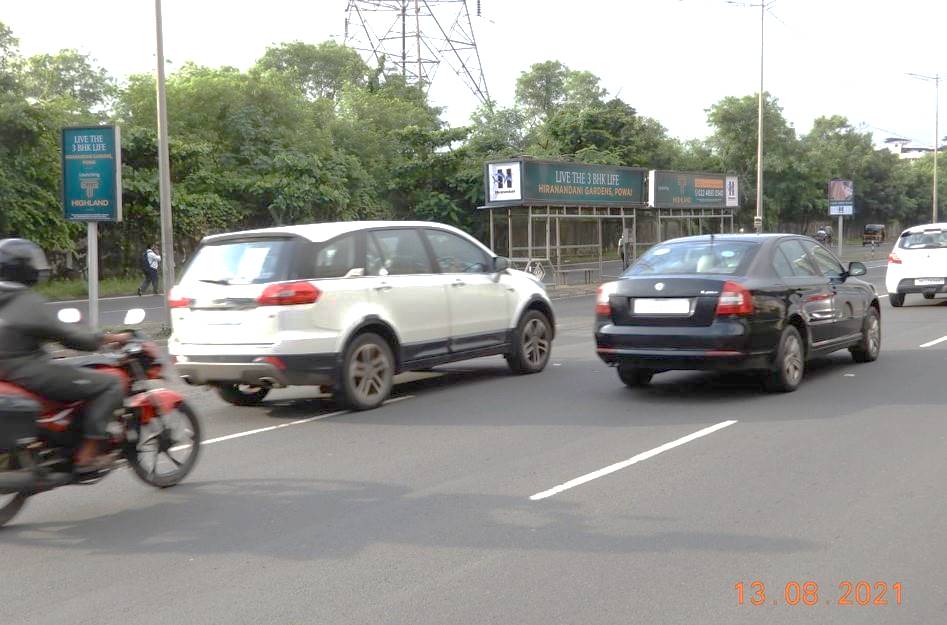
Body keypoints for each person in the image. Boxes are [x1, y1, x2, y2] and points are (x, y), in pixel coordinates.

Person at [0, 238, 130, 471]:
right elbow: (71, 337)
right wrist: (106, 338)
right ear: (22, 268)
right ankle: (88, 453)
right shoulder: (27, 302)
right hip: (26, 370)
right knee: (110, 384)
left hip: (7, 372)